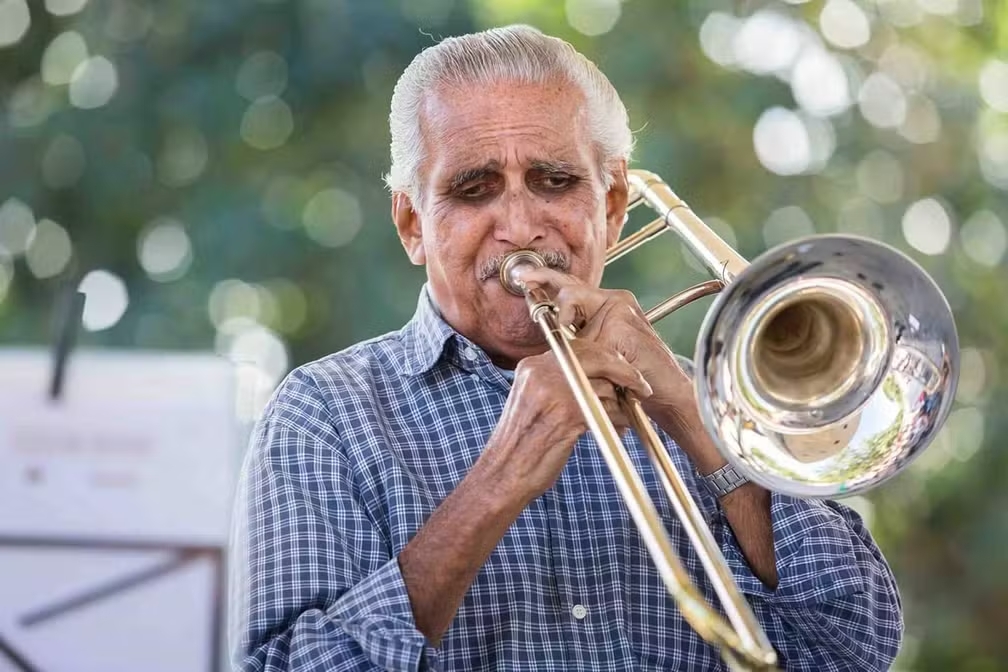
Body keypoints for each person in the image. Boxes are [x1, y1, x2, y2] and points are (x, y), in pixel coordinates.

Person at [229, 25, 903, 671]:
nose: (521, 226)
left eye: (555, 181)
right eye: (474, 189)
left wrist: (691, 416)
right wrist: (501, 477)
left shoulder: (714, 404)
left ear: (612, 204)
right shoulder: (324, 413)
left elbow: (857, 648)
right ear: (412, 224)